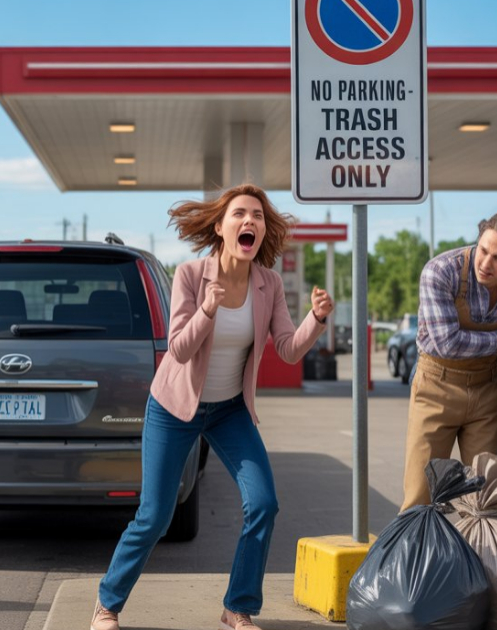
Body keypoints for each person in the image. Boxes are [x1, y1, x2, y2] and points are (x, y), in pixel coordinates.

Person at [91, 184, 333, 630]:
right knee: (155, 515)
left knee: (264, 503)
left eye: (258, 216)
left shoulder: (268, 282)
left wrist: (315, 320)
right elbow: (178, 351)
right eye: (239, 214)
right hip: (174, 407)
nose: (250, 222)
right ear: (220, 228)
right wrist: (207, 309)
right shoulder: (190, 274)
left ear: (263, 230)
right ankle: (107, 603)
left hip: (228, 410)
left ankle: (236, 607)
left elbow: (288, 349)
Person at [400, 211, 497, 511]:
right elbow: (448, 343)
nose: (485, 264)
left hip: (487, 391)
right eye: (483, 250)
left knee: (483, 500)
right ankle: (413, 558)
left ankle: (476, 559)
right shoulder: (440, 271)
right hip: (435, 388)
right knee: (420, 497)